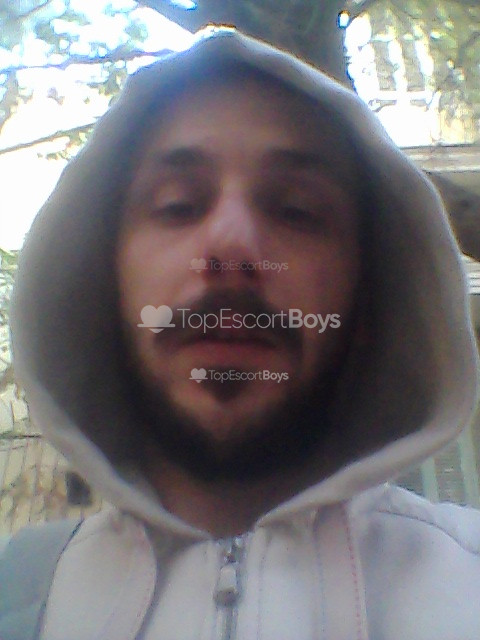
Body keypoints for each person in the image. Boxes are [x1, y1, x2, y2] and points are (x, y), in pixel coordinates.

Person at [5, 27, 480, 640]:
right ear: (106, 284)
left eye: (297, 210)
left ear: (368, 299)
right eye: (177, 205)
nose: (230, 244)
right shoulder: (16, 594)